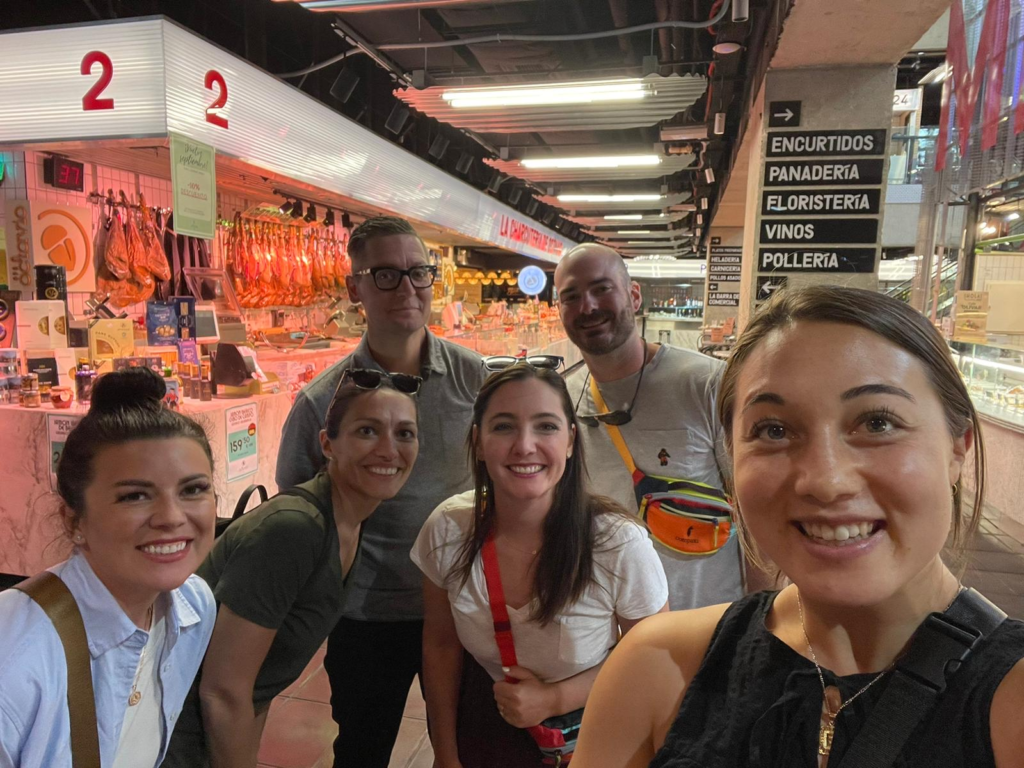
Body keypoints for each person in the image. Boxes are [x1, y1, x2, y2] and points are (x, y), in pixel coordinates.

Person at [571, 286, 1024, 768]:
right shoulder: (655, 668)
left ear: (959, 446)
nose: (825, 481)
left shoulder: (1010, 704)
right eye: (773, 430)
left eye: (876, 422)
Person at [275, 215, 486, 768]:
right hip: (365, 616)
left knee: (467, 748)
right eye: (386, 275)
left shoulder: (475, 380)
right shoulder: (322, 402)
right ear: (355, 288)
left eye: (419, 273)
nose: (408, 289)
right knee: (362, 750)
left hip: (466, 608)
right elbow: (300, 514)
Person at [414, 361, 668, 768]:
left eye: (546, 426)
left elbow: (651, 659)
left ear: (570, 439)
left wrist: (554, 698)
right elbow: (441, 648)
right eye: (503, 426)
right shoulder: (446, 530)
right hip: (487, 725)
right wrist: (445, 753)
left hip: (596, 731)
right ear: (478, 442)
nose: (525, 446)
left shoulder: (617, 543)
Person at [164, 369, 421, 768]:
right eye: (367, 431)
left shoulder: (350, 520)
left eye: (405, 433)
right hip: (170, 739)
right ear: (327, 444)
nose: (390, 450)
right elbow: (222, 691)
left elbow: (255, 688)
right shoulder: (293, 529)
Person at [0, 367, 217, 768]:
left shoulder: (193, 608)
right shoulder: (15, 658)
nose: (171, 517)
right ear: (73, 521)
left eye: (193, 489)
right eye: (135, 496)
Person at [553, 243, 744, 610]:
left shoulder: (706, 382)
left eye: (601, 288)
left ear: (634, 295)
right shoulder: (561, 398)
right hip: (610, 627)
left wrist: (760, 613)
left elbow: (756, 506)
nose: (588, 306)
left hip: (707, 619)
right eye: (571, 296)